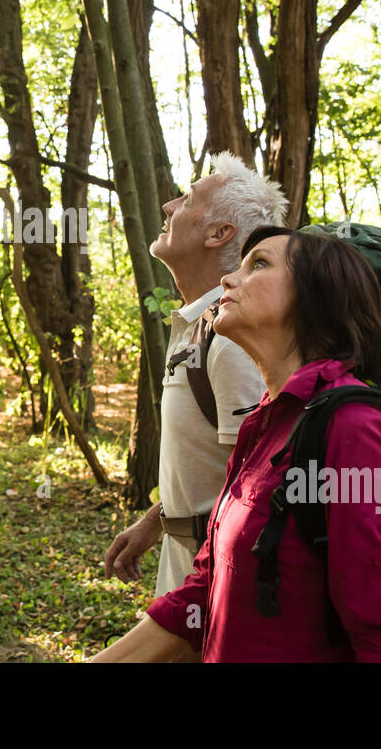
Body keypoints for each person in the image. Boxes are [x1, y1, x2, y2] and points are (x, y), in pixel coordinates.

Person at [93, 226, 381, 662]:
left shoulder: (355, 432)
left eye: (259, 264)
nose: (228, 280)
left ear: (317, 297)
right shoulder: (265, 422)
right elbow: (204, 592)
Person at [104, 152, 288, 598]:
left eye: (186, 200)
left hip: (219, 588)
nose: (168, 206)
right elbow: (220, 465)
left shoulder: (232, 339)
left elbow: (259, 490)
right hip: (186, 566)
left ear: (217, 233)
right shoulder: (200, 324)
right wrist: (157, 523)